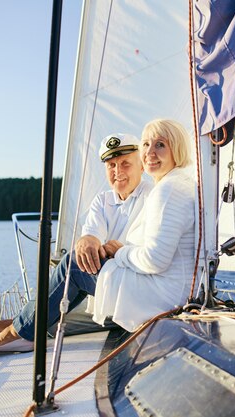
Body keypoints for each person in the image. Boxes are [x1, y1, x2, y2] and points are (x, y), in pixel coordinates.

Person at [0, 119, 195, 350]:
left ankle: (18, 332)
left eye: (125, 164)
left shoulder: (160, 192)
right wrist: (87, 241)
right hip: (147, 284)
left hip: (154, 292)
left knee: (71, 271)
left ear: (140, 165)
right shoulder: (122, 196)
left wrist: (119, 251)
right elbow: (92, 234)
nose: (118, 171)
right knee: (60, 306)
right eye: (111, 165)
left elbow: (154, 258)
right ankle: (20, 325)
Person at [91, 119, 196, 331]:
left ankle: (23, 334)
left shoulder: (167, 190)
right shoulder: (179, 183)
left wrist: (120, 253)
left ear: (177, 149)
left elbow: (155, 260)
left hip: (162, 295)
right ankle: (27, 329)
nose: (149, 152)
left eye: (160, 145)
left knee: (72, 266)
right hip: (175, 289)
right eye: (146, 144)